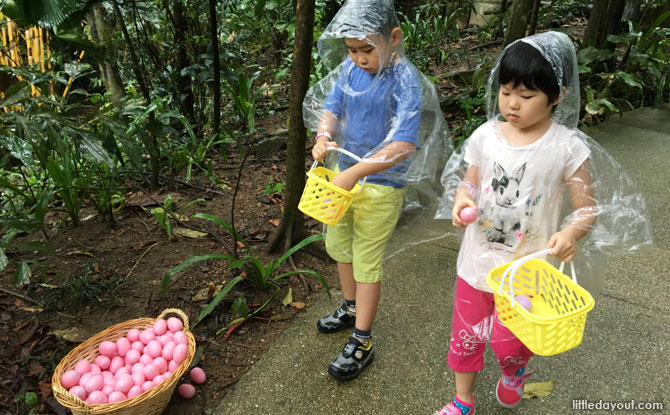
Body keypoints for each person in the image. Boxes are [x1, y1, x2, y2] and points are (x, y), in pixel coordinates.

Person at [433, 31, 652, 414]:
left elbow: (587, 207)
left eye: (527, 95)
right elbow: (469, 178)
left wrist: (570, 233)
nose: (512, 104)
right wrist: (463, 197)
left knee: (511, 342)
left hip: (528, 271)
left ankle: (514, 372)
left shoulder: (567, 146)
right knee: (465, 338)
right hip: (475, 264)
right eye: (505, 91)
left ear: (557, 96)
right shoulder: (486, 136)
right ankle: (462, 400)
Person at [303, 0, 450, 381]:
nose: (359, 58)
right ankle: (351, 307)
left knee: (366, 258)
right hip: (341, 179)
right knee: (339, 244)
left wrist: (357, 173)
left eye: (367, 49)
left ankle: (362, 338)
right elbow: (331, 108)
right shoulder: (350, 72)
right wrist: (322, 137)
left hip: (381, 187)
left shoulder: (404, 81)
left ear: (394, 38)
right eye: (352, 50)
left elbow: (404, 143)